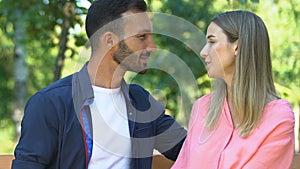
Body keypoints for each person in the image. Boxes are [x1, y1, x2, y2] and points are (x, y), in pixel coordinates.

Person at [12, 0, 187, 169]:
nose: (152, 46)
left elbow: (189, 148)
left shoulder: (141, 102)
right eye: (142, 37)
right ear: (110, 40)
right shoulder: (50, 104)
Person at [171, 10, 295, 169]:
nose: (203, 52)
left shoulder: (278, 117)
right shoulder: (202, 107)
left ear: (238, 46)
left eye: (212, 42)